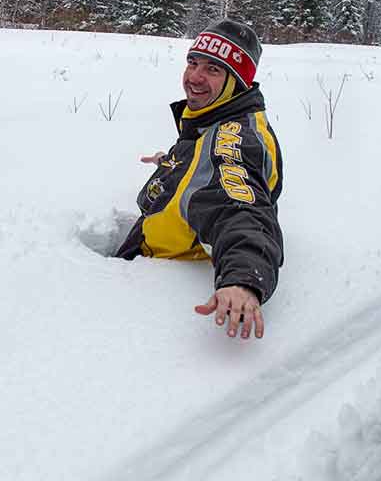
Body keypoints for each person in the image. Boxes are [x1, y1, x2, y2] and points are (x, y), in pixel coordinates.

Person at [116, 19, 284, 340]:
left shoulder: (234, 139)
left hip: (151, 302)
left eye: (213, 69)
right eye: (193, 63)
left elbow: (240, 207)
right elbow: (205, 171)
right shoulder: (215, 118)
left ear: (236, 81)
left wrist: (242, 280)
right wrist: (172, 164)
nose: (195, 77)